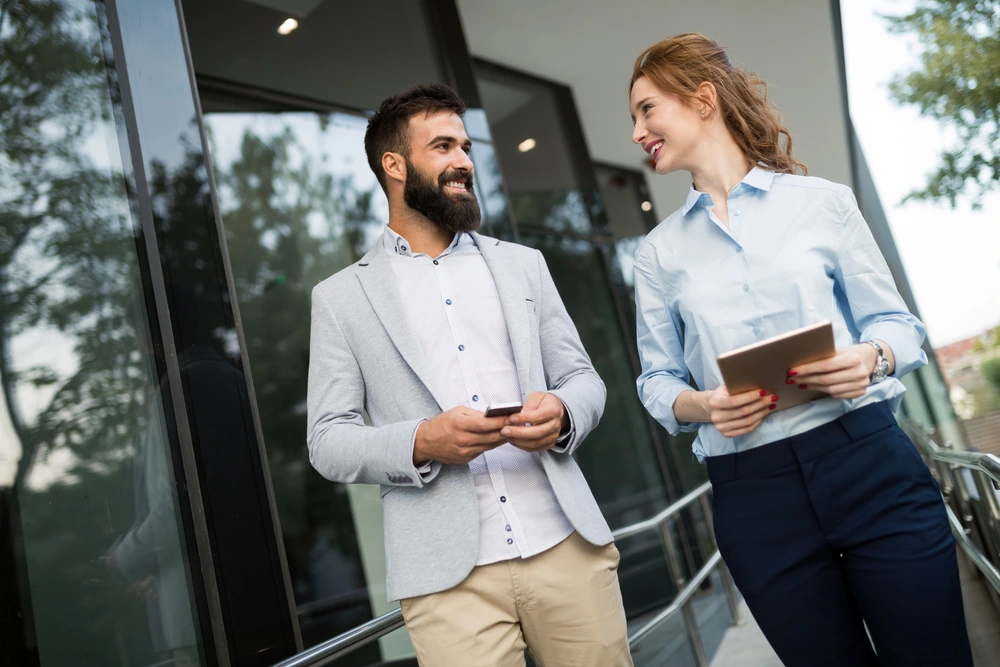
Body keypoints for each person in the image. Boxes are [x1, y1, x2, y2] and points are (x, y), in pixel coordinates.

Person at [629, 33, 972, 667]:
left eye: (646, 109)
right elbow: (655, 379)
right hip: (753, 496)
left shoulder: (824, 205)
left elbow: (896, 324)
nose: (637, 132)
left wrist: (870, 358)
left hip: (868, 460)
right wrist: (701, 405)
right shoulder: (657, 254)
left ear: (702, 99)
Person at [306, 83, 632, 667]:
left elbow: (583, 378)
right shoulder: (340, 298)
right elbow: (327, 440)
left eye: (465, 146)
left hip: (565, 545)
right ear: (394, 165)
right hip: (446, 582)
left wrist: (561, 414)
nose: (463, 161)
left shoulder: (523, 264)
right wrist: (422, 441)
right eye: (443, 146)